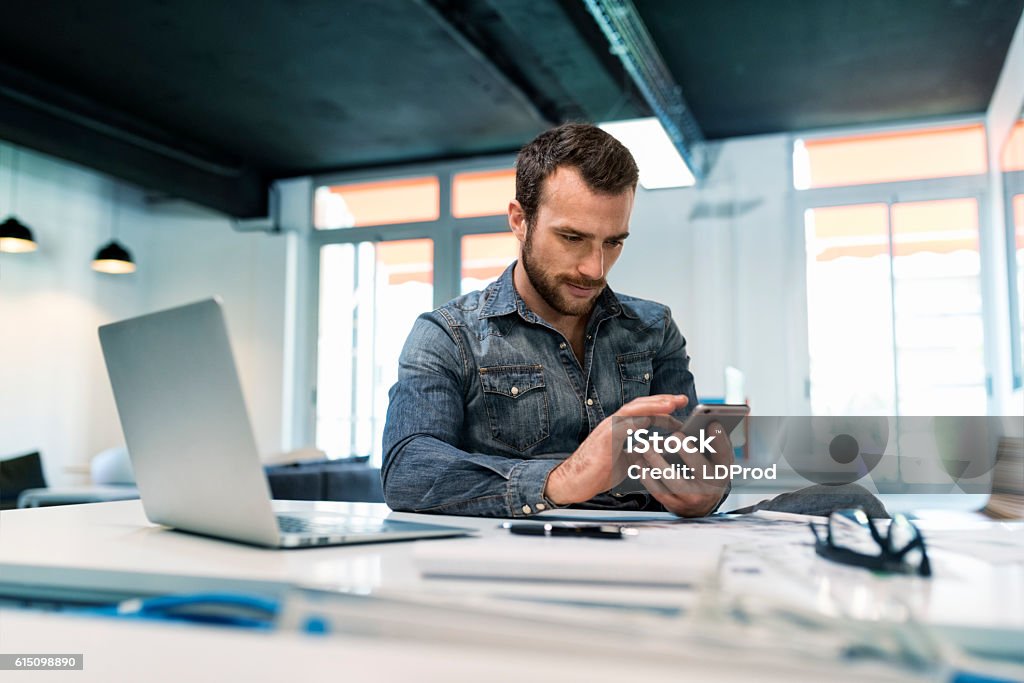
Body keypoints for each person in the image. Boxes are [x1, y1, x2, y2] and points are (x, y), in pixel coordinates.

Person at [381, 122, 733, 518]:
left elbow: (702, 468)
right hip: (509, 568)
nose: (595, 268)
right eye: (571, 237)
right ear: (519, 220)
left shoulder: (655, 330)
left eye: (613, 242)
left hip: (641, 561)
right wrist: (562, 480)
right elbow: (407, 471)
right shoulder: (447, 336)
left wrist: (706, 491)